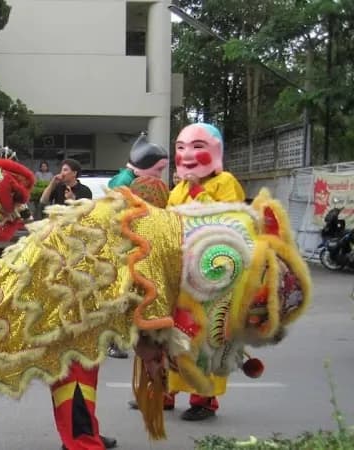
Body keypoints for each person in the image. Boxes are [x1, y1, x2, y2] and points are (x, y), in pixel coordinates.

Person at [130, 122, 245, 422]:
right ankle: (167, 391)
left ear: (215, 151)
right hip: (179, 276)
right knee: (173, 335)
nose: (187, 155)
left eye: (197, 147)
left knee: (205, 339)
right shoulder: (178, 188)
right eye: (181, 148)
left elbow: (228, 222)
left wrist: (197, 195)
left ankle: (204, 398)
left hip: (211, 276)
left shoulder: (225, 183)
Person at [41, 159, 116, 450]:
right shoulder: (54, 246)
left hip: (87, 327)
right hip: (68, 327)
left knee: (86, 383)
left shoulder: (91, 244)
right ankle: (81, 440)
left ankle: (86, 434)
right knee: (74, 382)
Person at [106, 132, 169, 359]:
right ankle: (113, 340)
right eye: (159, 170)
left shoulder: (130, 181)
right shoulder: (125, 185)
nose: (161, 175)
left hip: (134, 249)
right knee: (122, 295)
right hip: (124, 250)